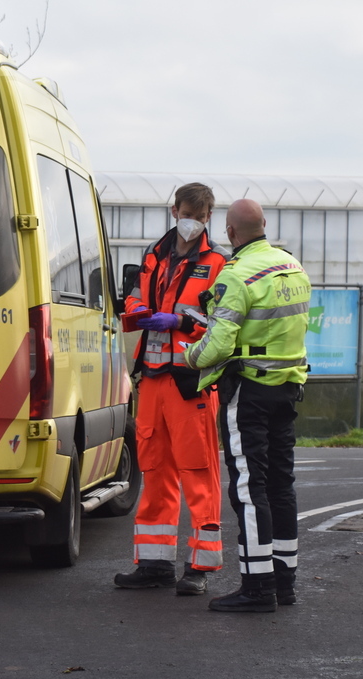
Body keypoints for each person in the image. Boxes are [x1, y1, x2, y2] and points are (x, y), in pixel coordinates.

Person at [184, 198, 311, 612]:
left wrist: (189, 356)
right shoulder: (293, 267)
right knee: (280, 484)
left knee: (248, 488)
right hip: (287, 387)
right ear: (265, 225)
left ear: (231, 233)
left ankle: (258, 588)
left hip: (249, 391)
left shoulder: (236, 275)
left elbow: (219, 342)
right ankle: (285, 582)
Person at [114, 183, 227, 595]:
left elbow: (222, 322)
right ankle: (155, 564)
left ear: (209, 217)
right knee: (155, 469)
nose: (193, 220)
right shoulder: (154, 256)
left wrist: (178, 323)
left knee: (197, 472)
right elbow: (132, 299)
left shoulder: (218, 264)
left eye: (200, 214)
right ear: (174, 209)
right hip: (154, 376)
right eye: (188, 211)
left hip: (190, 382)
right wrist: (138, 310)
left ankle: (199, 567)